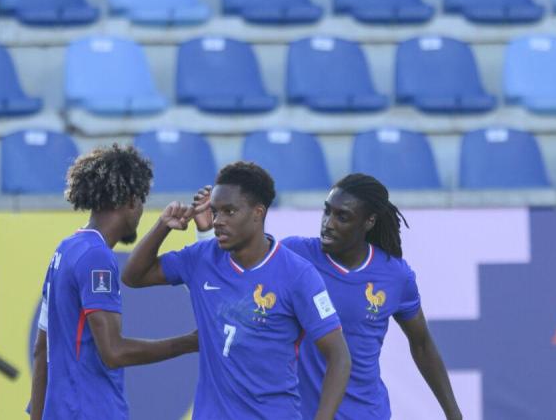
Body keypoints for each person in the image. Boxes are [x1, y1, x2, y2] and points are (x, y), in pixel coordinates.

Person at [193, 173, 462, 420]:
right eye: (326, 212)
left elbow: (422, 344)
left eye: (342, 217)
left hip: (366, 413)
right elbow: (229, 277)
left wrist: (454, 414)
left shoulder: (395, 275)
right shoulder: (294, 256)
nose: (328, 224)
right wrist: (206, 231)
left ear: (369, 221)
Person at [123, 161, 351, 420]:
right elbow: (133, 276)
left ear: (258, 212)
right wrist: (163, 226)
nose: (219, 221)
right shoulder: (201, 259)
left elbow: (339, 356)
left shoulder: (298, 274)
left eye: (229, 211)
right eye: (215, 212)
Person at [29, 144, 198, 420]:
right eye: (142, 200)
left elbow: (40, 350)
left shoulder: (65, 249)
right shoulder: (97, 257)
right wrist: (189, 343)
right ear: (131, 201)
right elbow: (114, 352)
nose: (142, 210)